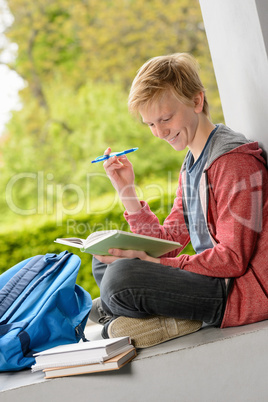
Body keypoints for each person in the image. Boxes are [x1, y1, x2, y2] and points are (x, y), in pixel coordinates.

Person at [89, 53, 268, 348]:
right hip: (210, 280)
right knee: (107, 256)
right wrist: (127, 192)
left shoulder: (232, 162)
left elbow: (233, 259)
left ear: (197, 101)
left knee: (119, 277)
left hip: (234, 292)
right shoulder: (192, 165)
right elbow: (170, 238)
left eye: (166, 118)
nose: (160, 132)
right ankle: (147, 314)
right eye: (150, 124)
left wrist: (157, 264)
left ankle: (157, 317)